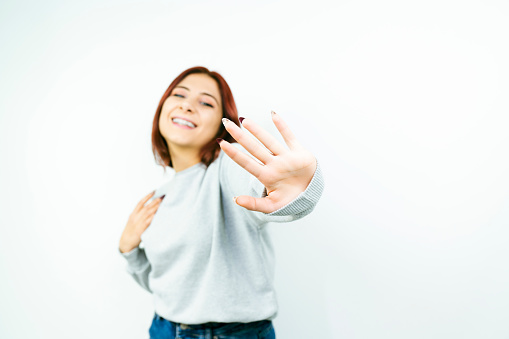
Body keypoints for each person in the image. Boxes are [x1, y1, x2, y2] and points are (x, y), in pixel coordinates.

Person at [119, 66, 324, 339]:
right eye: (179, 95)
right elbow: (169, 286)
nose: (188, 106)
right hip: (164, 329)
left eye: (206, 102)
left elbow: (261, 189)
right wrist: (129, 250)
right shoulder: (158, 198)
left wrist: (296, 189)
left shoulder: (227, 166)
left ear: (221, 123)